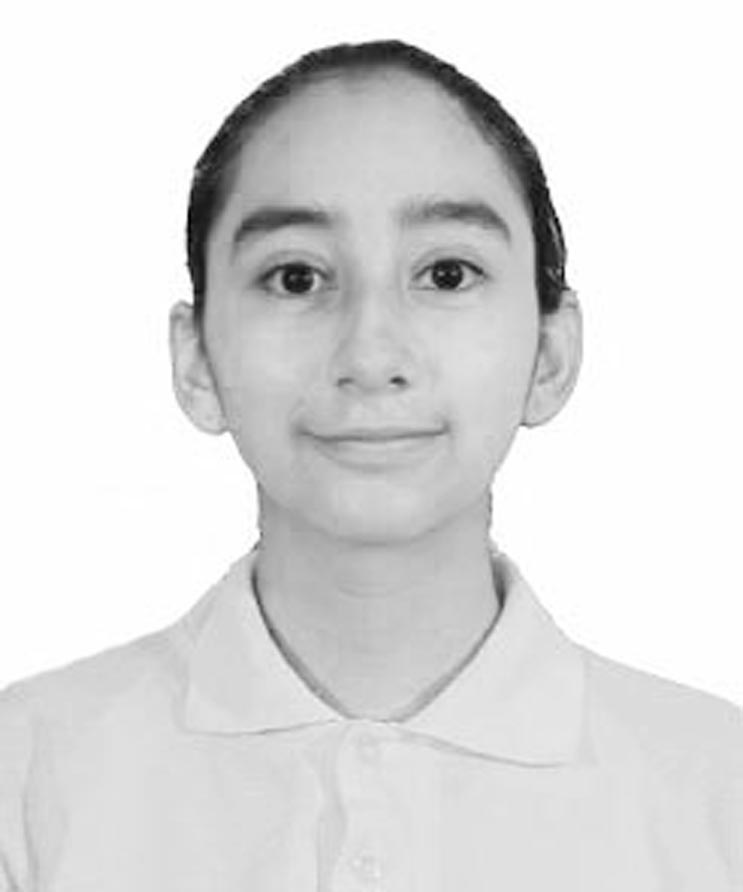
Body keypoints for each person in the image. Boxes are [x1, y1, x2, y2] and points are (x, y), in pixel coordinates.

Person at [1, 38, 740, 892]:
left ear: (549, 354)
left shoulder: (715, 796)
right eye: (295, 278)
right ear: (196, 359)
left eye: (447, 273)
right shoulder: (30, 781)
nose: (371, 354)